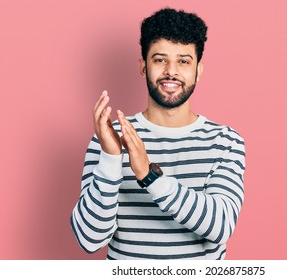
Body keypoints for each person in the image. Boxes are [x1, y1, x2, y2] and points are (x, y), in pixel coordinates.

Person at [71, 8, 245, 260]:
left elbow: (220, 226)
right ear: (143, 67)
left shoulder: (225, 141)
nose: (171, 72)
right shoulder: (108, 137)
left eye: (184, 61)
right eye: (160, 59)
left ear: (199, 70)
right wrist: (111, 158)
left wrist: (148, 175)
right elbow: (89, 239)